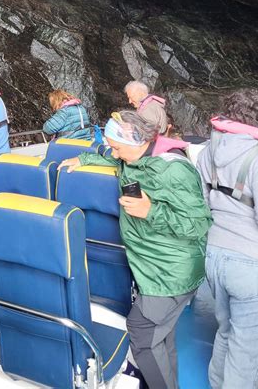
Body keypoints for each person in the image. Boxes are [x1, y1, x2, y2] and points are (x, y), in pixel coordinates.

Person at [60, 111, 212, 389]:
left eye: (117, 147)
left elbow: (198, 224)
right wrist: (84, 158)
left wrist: (150, 211)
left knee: (141, 333)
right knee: (161, 338)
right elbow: (109, 156)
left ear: (137, 139)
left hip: (171, 272)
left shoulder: (173, 169)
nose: (114, 154)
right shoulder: (134, 157)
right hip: (150, 267)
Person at [197, 89, 258, 389]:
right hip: (253, 264)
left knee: (226, 330)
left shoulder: (207, 151)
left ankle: (217, 383)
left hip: (214, 255)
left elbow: (202, 202)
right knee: (248, 345)